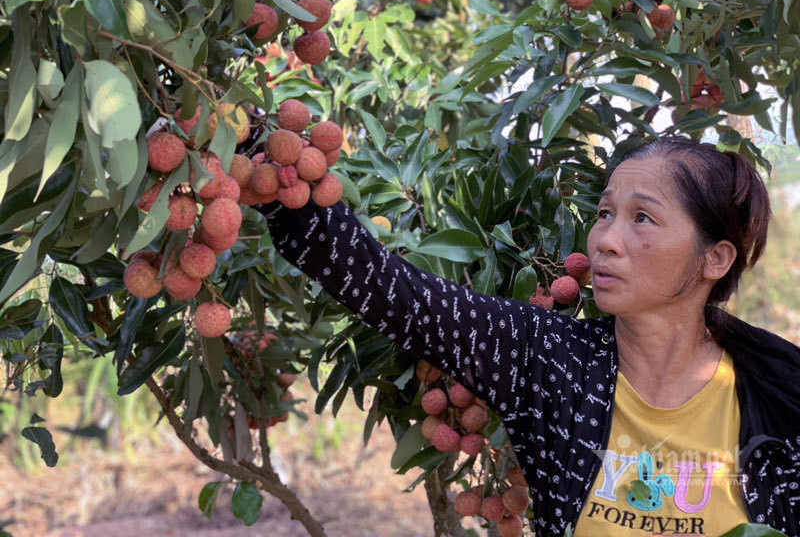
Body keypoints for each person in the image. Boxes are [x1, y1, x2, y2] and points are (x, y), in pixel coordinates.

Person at [252, 137, 800, 537]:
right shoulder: (549, 361)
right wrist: (264, 150)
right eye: (605, 212)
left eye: (643, 219)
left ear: (715, 257)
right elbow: (387, 287)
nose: (606, 238)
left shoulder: (780, 397)